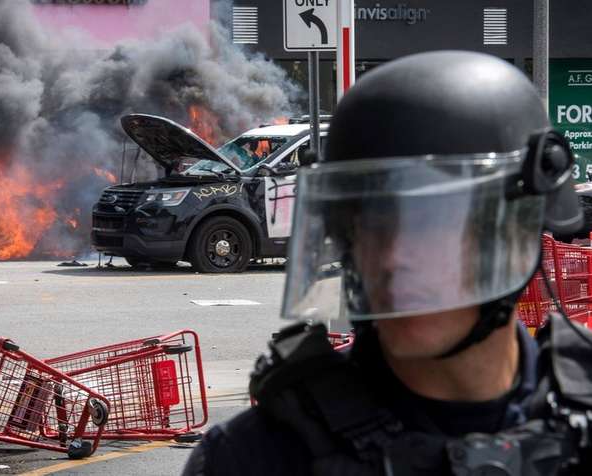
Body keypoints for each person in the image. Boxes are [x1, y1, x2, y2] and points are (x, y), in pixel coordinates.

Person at [183, 51, 592, 475]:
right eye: (369, 228)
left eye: (431, 225)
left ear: (519, 228)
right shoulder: (257, 457)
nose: (393, 259)